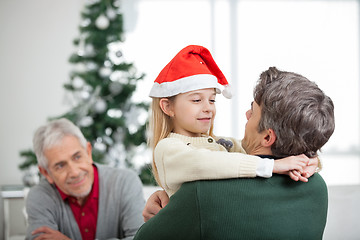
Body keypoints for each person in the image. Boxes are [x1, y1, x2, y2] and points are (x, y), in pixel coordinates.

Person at [134, 66, 335, 239]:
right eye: (196, 100)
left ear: (267, 138)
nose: (246, 115)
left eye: (253, 112)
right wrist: (310, 158)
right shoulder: (317, 188)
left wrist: (172, 208)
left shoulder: (203, 194)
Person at [147, 45, 313, 198]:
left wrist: (308, 162)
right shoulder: (168, 148)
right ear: (168, 107)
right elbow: (204, 163)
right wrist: (271, 167)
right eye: (197, 100)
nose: (208, 108)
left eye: (212, 100)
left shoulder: (226, 144)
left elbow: (270, 150)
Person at [25, 118, 145, 240]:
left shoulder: (125, 182)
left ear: (88, 152)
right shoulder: (40, 196)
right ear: (46, 173)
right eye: (60, 165)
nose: (75, 172)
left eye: (77, 157)